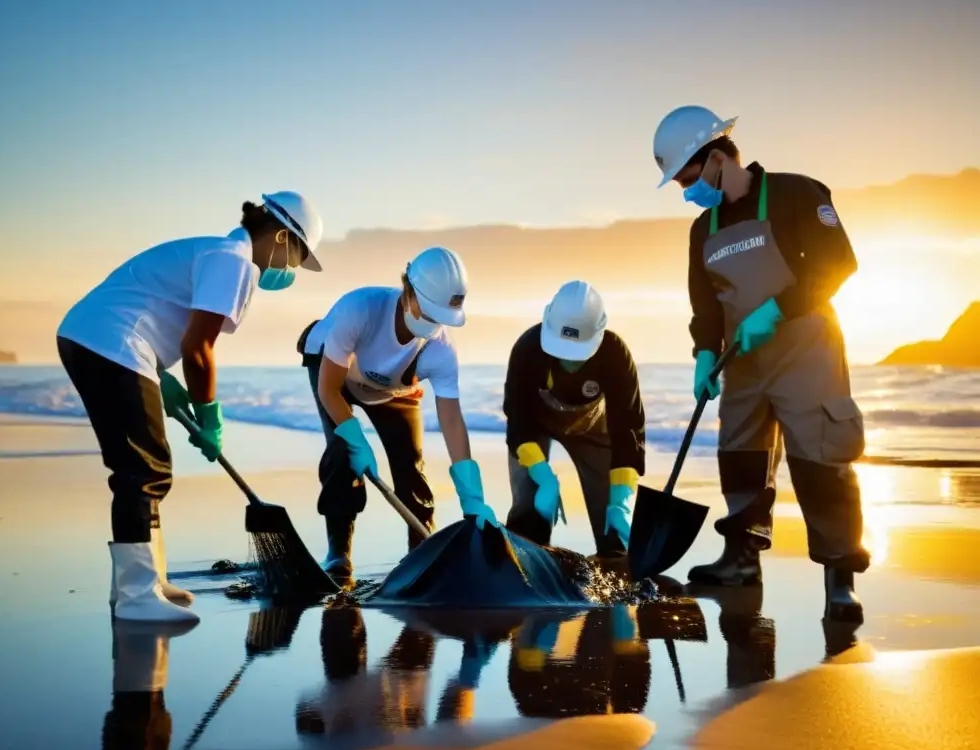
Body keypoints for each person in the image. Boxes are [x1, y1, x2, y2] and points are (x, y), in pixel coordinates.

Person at [56, 191, 324, 623]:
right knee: (142, 470)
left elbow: (153, 308)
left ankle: (150, 582)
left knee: (146, 466)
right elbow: (198, 348)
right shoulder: (233, 260)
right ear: (281, 236)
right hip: (112, 343)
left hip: (101, 339)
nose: (291, 268)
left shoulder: (217, 252)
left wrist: (161, 378)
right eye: (296, 255)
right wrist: (209, 415)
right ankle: (136, 596)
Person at [652, 105, 870, 622]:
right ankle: (741, 561)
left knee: (821, 457)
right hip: (742, 360)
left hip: (806, 350)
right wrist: (705, 355)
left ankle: (839, 578)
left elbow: (838, 261)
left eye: (687, 178)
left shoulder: (796, 194)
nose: (686, 191)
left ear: (715, 159)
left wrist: (776, 309)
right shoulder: (702, 230)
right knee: (741, 456)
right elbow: (705, 305)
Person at [297, 246, 499, 581]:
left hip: (392, 388)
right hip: (336, 375)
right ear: (408, 289)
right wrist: (355, 438)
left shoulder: (441, 351)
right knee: (342, 453)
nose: (433, 323)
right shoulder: (360, 309)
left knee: (410, 465)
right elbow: (328, 390)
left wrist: (472, 495)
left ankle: (422, 555)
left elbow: (451, 420)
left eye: (440, 317)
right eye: (428, 311)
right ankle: (338, 554)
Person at [502, 280, 646, 558]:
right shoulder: (527, 349)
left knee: (612, 527)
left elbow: (628, 428)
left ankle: (613, 560)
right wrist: (542, 474)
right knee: (528, 511)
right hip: (534, 428)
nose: (569, 361)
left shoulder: (615, 353)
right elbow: (518, 422)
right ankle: (525, 559)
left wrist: (621, 498)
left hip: (592, 429)